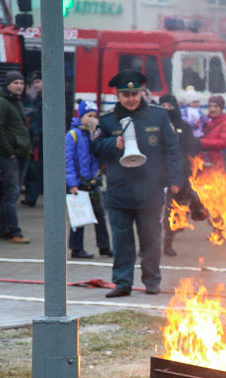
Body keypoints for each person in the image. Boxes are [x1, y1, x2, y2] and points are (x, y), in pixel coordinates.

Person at [90, 69, 182, 297]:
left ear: (141, 93)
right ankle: (122, 283)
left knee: (151, 239)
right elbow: (95, 149)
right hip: (119, 191)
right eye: (125, 94)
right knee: (122, 241)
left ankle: (152, 281)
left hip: (150, 191)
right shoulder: (108, 120)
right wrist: (114, 143)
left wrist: (175, 180)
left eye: (135, 93)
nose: (131, 98)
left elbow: (172, 150)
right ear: (118, 96)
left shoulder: (159, 116)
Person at [65, 100, 112, 259]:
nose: (91, 119)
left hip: (93, 181)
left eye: (94, 116)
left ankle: (104, 247)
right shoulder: (73, 135)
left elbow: (100, 155)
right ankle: (76, 248)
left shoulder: (95, 134)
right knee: (79, 217)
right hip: (78, 183)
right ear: (81, 116)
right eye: (88, 115)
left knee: (100, 215)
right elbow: (68, 161)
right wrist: (72, 184)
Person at [159, 93, 204, 257]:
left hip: (176, 174)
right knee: (149, 212)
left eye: (169, 106)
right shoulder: (154, 125)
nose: (166, 109)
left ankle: (168, 242)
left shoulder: (183, 127)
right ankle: (146, 246)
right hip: (156, 174)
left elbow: (190, 149)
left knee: (172, 210)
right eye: (162, 106)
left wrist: (184, 171)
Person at [0, 71, 32, 244]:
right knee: (12, 193)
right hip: (11, 155)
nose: (19, 86)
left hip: (21, 153)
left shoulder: (16, 102)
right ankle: (14, 232)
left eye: (21, 83)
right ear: (7, 84)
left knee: (10, 193)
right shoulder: (0, 103)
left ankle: (3, 231)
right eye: (16, 83)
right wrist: (9, 151)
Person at [21, 71, 43, 207]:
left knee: (37, 169)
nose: (36, 85)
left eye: (38, 82)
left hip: (40, 139)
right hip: (33, 138)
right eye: (34, 82)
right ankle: (31, 196)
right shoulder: (34, 99)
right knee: (33, 168)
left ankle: (32, 197)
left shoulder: (46, 101)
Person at [199, 95, 226, 169]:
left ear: (221, 108)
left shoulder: (224, 124)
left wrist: (201, 142)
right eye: (210, 106)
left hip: (214, 162)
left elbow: (223, 143)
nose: (212, 109)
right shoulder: (203, 121)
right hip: (200, 160)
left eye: (216, 106)